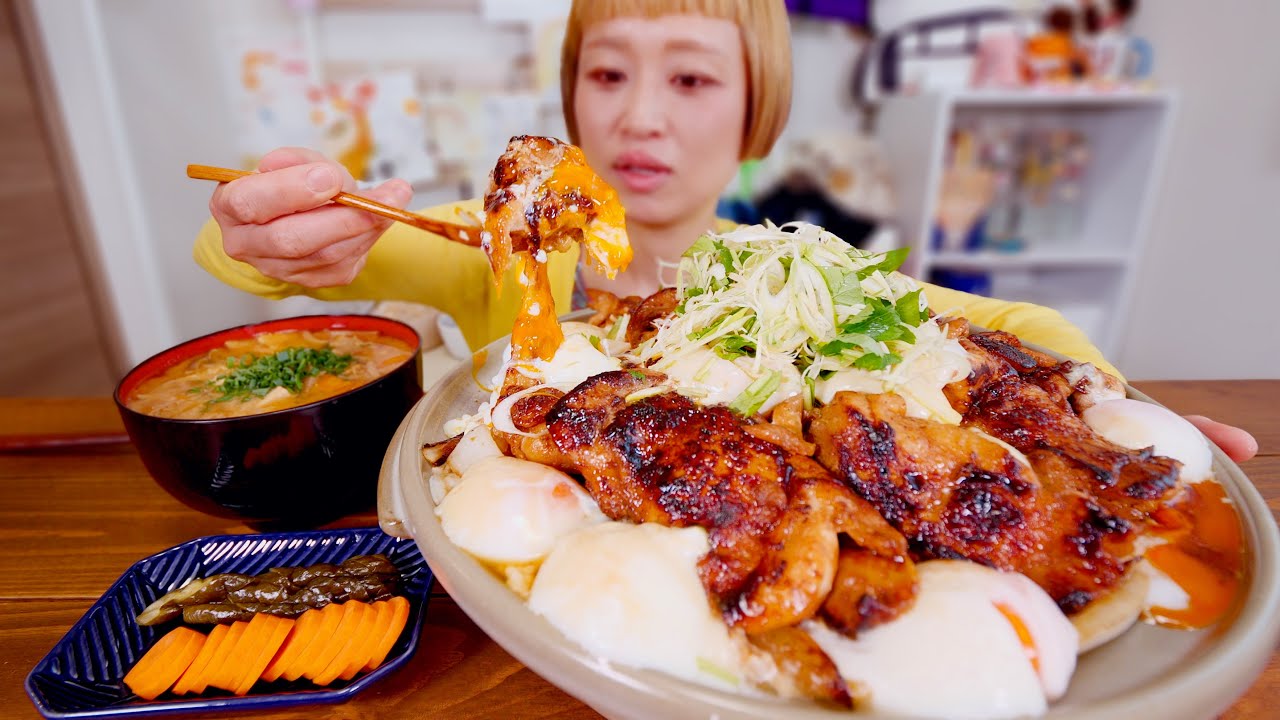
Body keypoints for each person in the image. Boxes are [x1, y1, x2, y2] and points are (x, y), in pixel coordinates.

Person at [193, 0, 1256, 463]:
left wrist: (1109, 412)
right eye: (606, 74)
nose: (637, 115)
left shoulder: (793, 276)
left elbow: (1014, 319)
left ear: (755, 116)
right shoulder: (501, 243)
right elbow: (281, 254)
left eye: (691, 78)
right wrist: (279, 229)